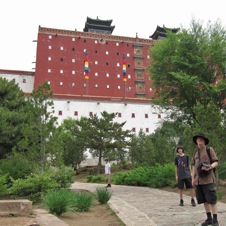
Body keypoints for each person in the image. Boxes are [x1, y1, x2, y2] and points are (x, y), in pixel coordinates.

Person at [191, 133, 219, 226]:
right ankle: (209, 219)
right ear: (196, 141)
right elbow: (194, 166)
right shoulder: (195, 152)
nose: (199, 141)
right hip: (199, 180)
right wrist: (193, 178)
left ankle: (215, 220)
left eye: (201, 139)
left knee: (212, 200)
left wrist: (210, 167)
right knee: (204, 200)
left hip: (208, 179)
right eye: (198, 139)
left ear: (204, 141)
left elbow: (215, 161)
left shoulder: (209, 150)